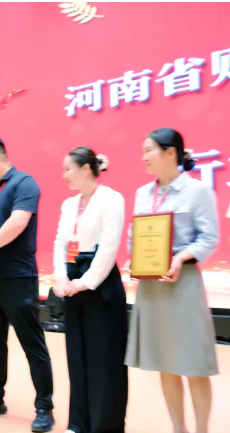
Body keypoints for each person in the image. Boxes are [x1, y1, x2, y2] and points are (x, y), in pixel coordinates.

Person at [125, 128, 219, 433]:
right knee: (165, 363)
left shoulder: (197, 191)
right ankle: (178, 428)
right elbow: (134, 235)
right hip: (152, 288)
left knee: (193, 365)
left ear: (170, 153)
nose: (144, 157)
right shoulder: (143, 193)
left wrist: (180, 258)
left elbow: (209, 237)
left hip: (183, 286)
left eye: (149, 150)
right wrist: (134, 258)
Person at [0, 136, 54, 432]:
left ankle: (44, 406)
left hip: (17, 277)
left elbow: (18, 222)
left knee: (32, 344)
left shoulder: (23, 183)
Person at [53, 147, 128, 433]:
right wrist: (62, 278)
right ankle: (78, 424)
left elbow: (109, 246)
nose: (64, 175)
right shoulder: (68, 204)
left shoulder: (111, 199)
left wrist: (84, 283)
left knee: (104, 360)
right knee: (78, 356)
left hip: (100, 287)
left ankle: (105, 425)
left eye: (68, 169)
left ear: (86, 169)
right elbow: (60, 243)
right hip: (72, 285)